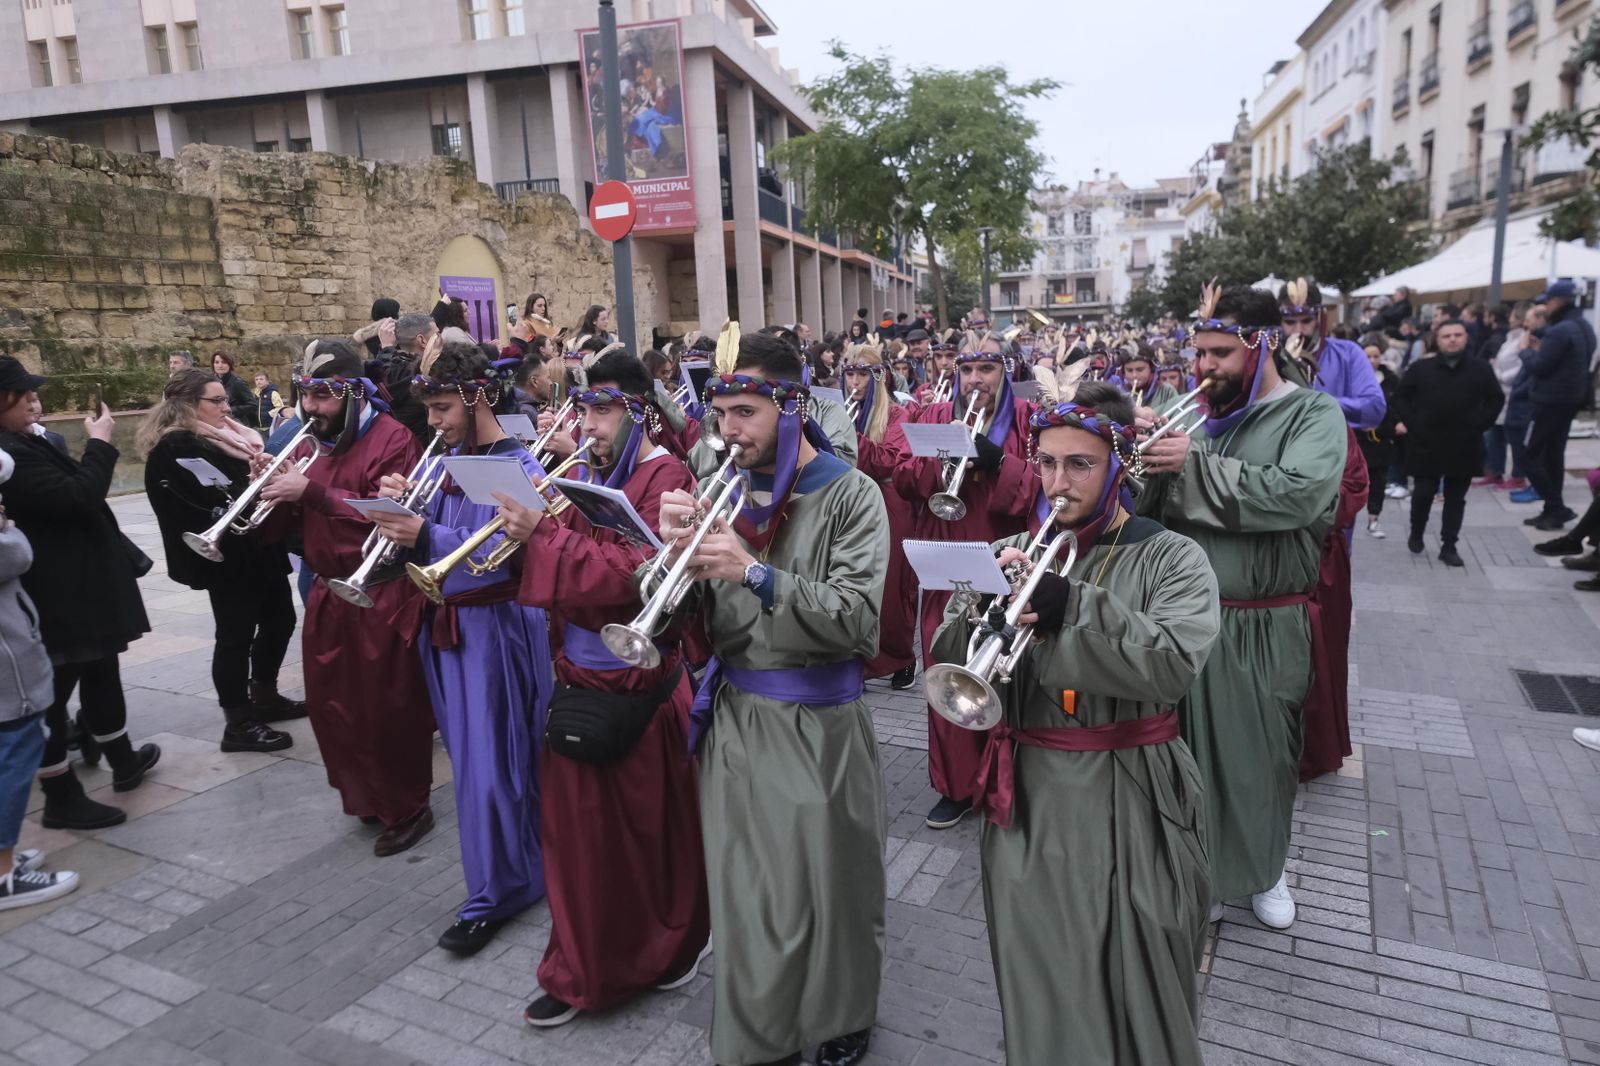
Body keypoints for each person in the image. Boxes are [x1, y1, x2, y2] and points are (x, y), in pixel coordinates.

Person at [930, 385, 1219, 1066]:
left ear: (1120, 467)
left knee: (1132, 972)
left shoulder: (1174, 557)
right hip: (1026, 795)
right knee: (1039, 964)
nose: (1058, 483)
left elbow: (1172, 665)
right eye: (1048, 464)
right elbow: (947, 653)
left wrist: (1070, 604)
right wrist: (978, 619)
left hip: (1129, 791)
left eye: (1081, 465)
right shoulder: (1010, 547)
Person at [651, 331, 888, 1066]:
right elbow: (675, 615)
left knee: (833, 887)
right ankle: (758, 1032)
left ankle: (845, 1010)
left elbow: (859, 620)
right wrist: (667, 563)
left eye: (745, 413)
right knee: (748, 892)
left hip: (820, 726)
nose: (728, 432)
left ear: (792, 407)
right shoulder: (720, 479)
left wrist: (755, 573)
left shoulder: (852, 493)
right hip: (735, 717)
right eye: (721, 415)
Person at [495, 350, 710, 1027]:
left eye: (601, 408)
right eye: (584, 407)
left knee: (650, 835)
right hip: (580, 675)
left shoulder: (667, 473)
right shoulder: (587, 471)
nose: (586, 422)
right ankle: (582, 965)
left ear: (638, 411)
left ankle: (669, 945)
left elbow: (643, 573)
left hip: (641, 684)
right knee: (579, 839)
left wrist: (546, 536)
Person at [1137, 285, 1345, 930]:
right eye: (1199, 353)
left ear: (1265, 343)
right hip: (1180, 617)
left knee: (1261, 759)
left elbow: (1299, 496)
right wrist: (1132, 458)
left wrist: (1193, 464)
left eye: (1221, 353)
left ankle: (1264, 868)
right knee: (1182, 756)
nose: (1205, 367)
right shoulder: (1181, 407)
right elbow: (1147, 510)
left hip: (1261, 619)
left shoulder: (1313, 414)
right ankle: (1193, 870)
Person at [366, 342, 552, 954]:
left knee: (493, 767)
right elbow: (433, 547)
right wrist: (400, 510)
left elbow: (508, 562)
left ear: (478, 398)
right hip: (448, 629)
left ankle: (498, 891)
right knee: (480, 764)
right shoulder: (449, 456)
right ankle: (520, 867)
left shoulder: (514, 464)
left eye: (444, 408)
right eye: (431, 410)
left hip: (494, 629)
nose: (435, 422)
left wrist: (424, 532)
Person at [256, 341, 436, 856]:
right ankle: (365, 796)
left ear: (354, 394)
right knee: (334, 707)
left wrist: (308, 493)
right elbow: (287, 526)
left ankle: (407, 805)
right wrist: (270, 495)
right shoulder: (309, 442)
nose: (311, 408)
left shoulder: (393, 438)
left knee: (388, 710)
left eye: (324, 396)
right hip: (327, 591)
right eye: (306, 395)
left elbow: (389, 516)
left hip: (381, 589)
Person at [0, 358, 159, 829]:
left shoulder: (27, 442)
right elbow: (78, 496)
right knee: (51, 694)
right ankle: (60, 793)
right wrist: (100, 443)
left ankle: (121, 757)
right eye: (21, 393)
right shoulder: (9, 456)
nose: (33, 399)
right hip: (56, 593)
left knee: (101, 668)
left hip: (79, 584)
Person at [894, 332, 1036, 829]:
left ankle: (1005, 780)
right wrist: (940, 462)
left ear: (1006, 372)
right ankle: (954, 785)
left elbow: (1039, 493)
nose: (975, 381)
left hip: (1001, 559)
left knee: (1004, 672)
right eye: (967, 370)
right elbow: (904, 480)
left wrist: (995, 462)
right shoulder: (933, 416)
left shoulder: (1026, 419)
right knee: (946, 665)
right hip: (945, 561)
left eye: (987, 370)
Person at [140, 371, 299, 754]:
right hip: (228, 558)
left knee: (282, 620)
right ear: (188, 405)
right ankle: (238, 723)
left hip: (258, 548)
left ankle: (264, 695)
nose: (227, 408)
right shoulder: (176, 447)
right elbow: (209, 499)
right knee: (235, 636)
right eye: (217, 401)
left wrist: (260, 476)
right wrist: (255, 484)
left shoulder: (228, 440)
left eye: (225, 400)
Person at [0, 443, 79, 910]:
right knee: (12, 760)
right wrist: (9, 532)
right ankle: (4, 874)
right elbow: (14, 555)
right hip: (7, 672)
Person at [1393, 320, 1504, 567]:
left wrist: (1481, 424)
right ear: (1437, 340)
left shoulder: (1480, 369)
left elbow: (1496, 398)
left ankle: (1449, 545)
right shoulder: (1421, 368)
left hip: (1464, 443)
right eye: (1446, 336)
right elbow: (1401, 397)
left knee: (1456, 498)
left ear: (1465, 338)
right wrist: (1412, 423)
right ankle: (1417, 530)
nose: (1452, 340)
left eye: (1457, 335)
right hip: (1426, 443)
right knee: (1422, 493)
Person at [841, 345, 917, 689]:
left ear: (878, 377)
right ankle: (854, 656)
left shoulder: (899, 414)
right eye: (849, 374)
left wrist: (848, 436)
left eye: (862, 375)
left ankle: (901, 657)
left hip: (888, 502)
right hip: (846, 502)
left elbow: (890, 461)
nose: (854, 383)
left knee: (891, 587)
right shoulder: (837, 410)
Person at [1521, 280, 1597, 531]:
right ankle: (1551, 512)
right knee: (1553, 455)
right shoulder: (1584, 326)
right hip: (1570, 399)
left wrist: (1526, 352)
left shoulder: (1560, 330)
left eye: (1547, 302)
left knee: (1529, 456)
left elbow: (1541, 367)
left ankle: (1556, 507)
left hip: (1550, 401)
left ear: (1556, 302)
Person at [1479, 303, 1532, 488]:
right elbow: (1498, 361)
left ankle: (1518, 476)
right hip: (1500, 393)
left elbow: (1521, 367)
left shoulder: (1525, 340)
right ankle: (1495, 471)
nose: (1509, 319)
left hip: (1512, 394)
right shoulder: (1510, 338)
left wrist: (1501, 376)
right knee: (1495, 436)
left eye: (1513, 317)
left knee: (1515, 437)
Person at [1358, 341, 1401, 539]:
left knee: (1378, 480)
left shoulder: (1391, 380)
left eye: (1376, 356)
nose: (1372, 360)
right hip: (1357, 437)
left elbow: (1399, 404)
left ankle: (1374, 519)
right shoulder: (1353, 378)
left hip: (1382, 437)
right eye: (1368, 356)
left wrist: (1398, 424)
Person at [210, 352, 259, 427]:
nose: (220, 365)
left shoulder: (237, 383)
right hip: (218, 424)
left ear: (229, 364)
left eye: (224, 362)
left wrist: (231, 410)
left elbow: (253, 404)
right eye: (217, 362)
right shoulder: (212, 382)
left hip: (237, 424)